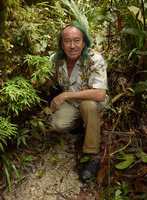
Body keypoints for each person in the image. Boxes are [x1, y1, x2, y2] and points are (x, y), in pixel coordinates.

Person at [43, 22, 109, 182]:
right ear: (61, 44)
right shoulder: (56, 59)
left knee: (87, 105)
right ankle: (87, 122)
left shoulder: (94, 59)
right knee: (57, 125)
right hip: (73, 104)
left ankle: (93, 156)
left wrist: (65, 95)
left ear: (84, 42)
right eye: (67, 41)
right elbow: (51, 80)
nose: (72, 46)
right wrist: (40, 80)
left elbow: (100, 94)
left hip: (93, 102)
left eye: (77, 40)